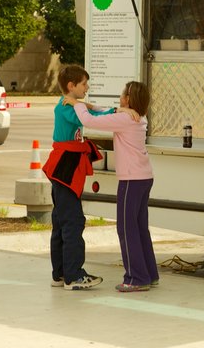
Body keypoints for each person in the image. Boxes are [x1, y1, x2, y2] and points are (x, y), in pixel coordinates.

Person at [64, 81, 158, 293]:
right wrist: (85, 104)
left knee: (126, 229)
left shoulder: (125, 119)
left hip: (131, 180)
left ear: (128, 99)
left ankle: (136, 278)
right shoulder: (138, 117)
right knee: (140, 228)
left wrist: (75, 104)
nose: (120, 95)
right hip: (144, 177)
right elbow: (102, 111)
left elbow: (88, 121)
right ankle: (149, 273)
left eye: (123, 94)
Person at [43, 65, 113, 290]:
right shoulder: (66, 107)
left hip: (65, 168)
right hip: (65, 169)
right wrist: (116, 112)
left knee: (62, 221)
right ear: (71, 86)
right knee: (72, 221)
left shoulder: (70, 104)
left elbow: (90, 111)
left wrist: (105, 109)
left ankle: (61, 273)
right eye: (84, 84)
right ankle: (73, 275)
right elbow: (91, 118)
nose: (87, 87)